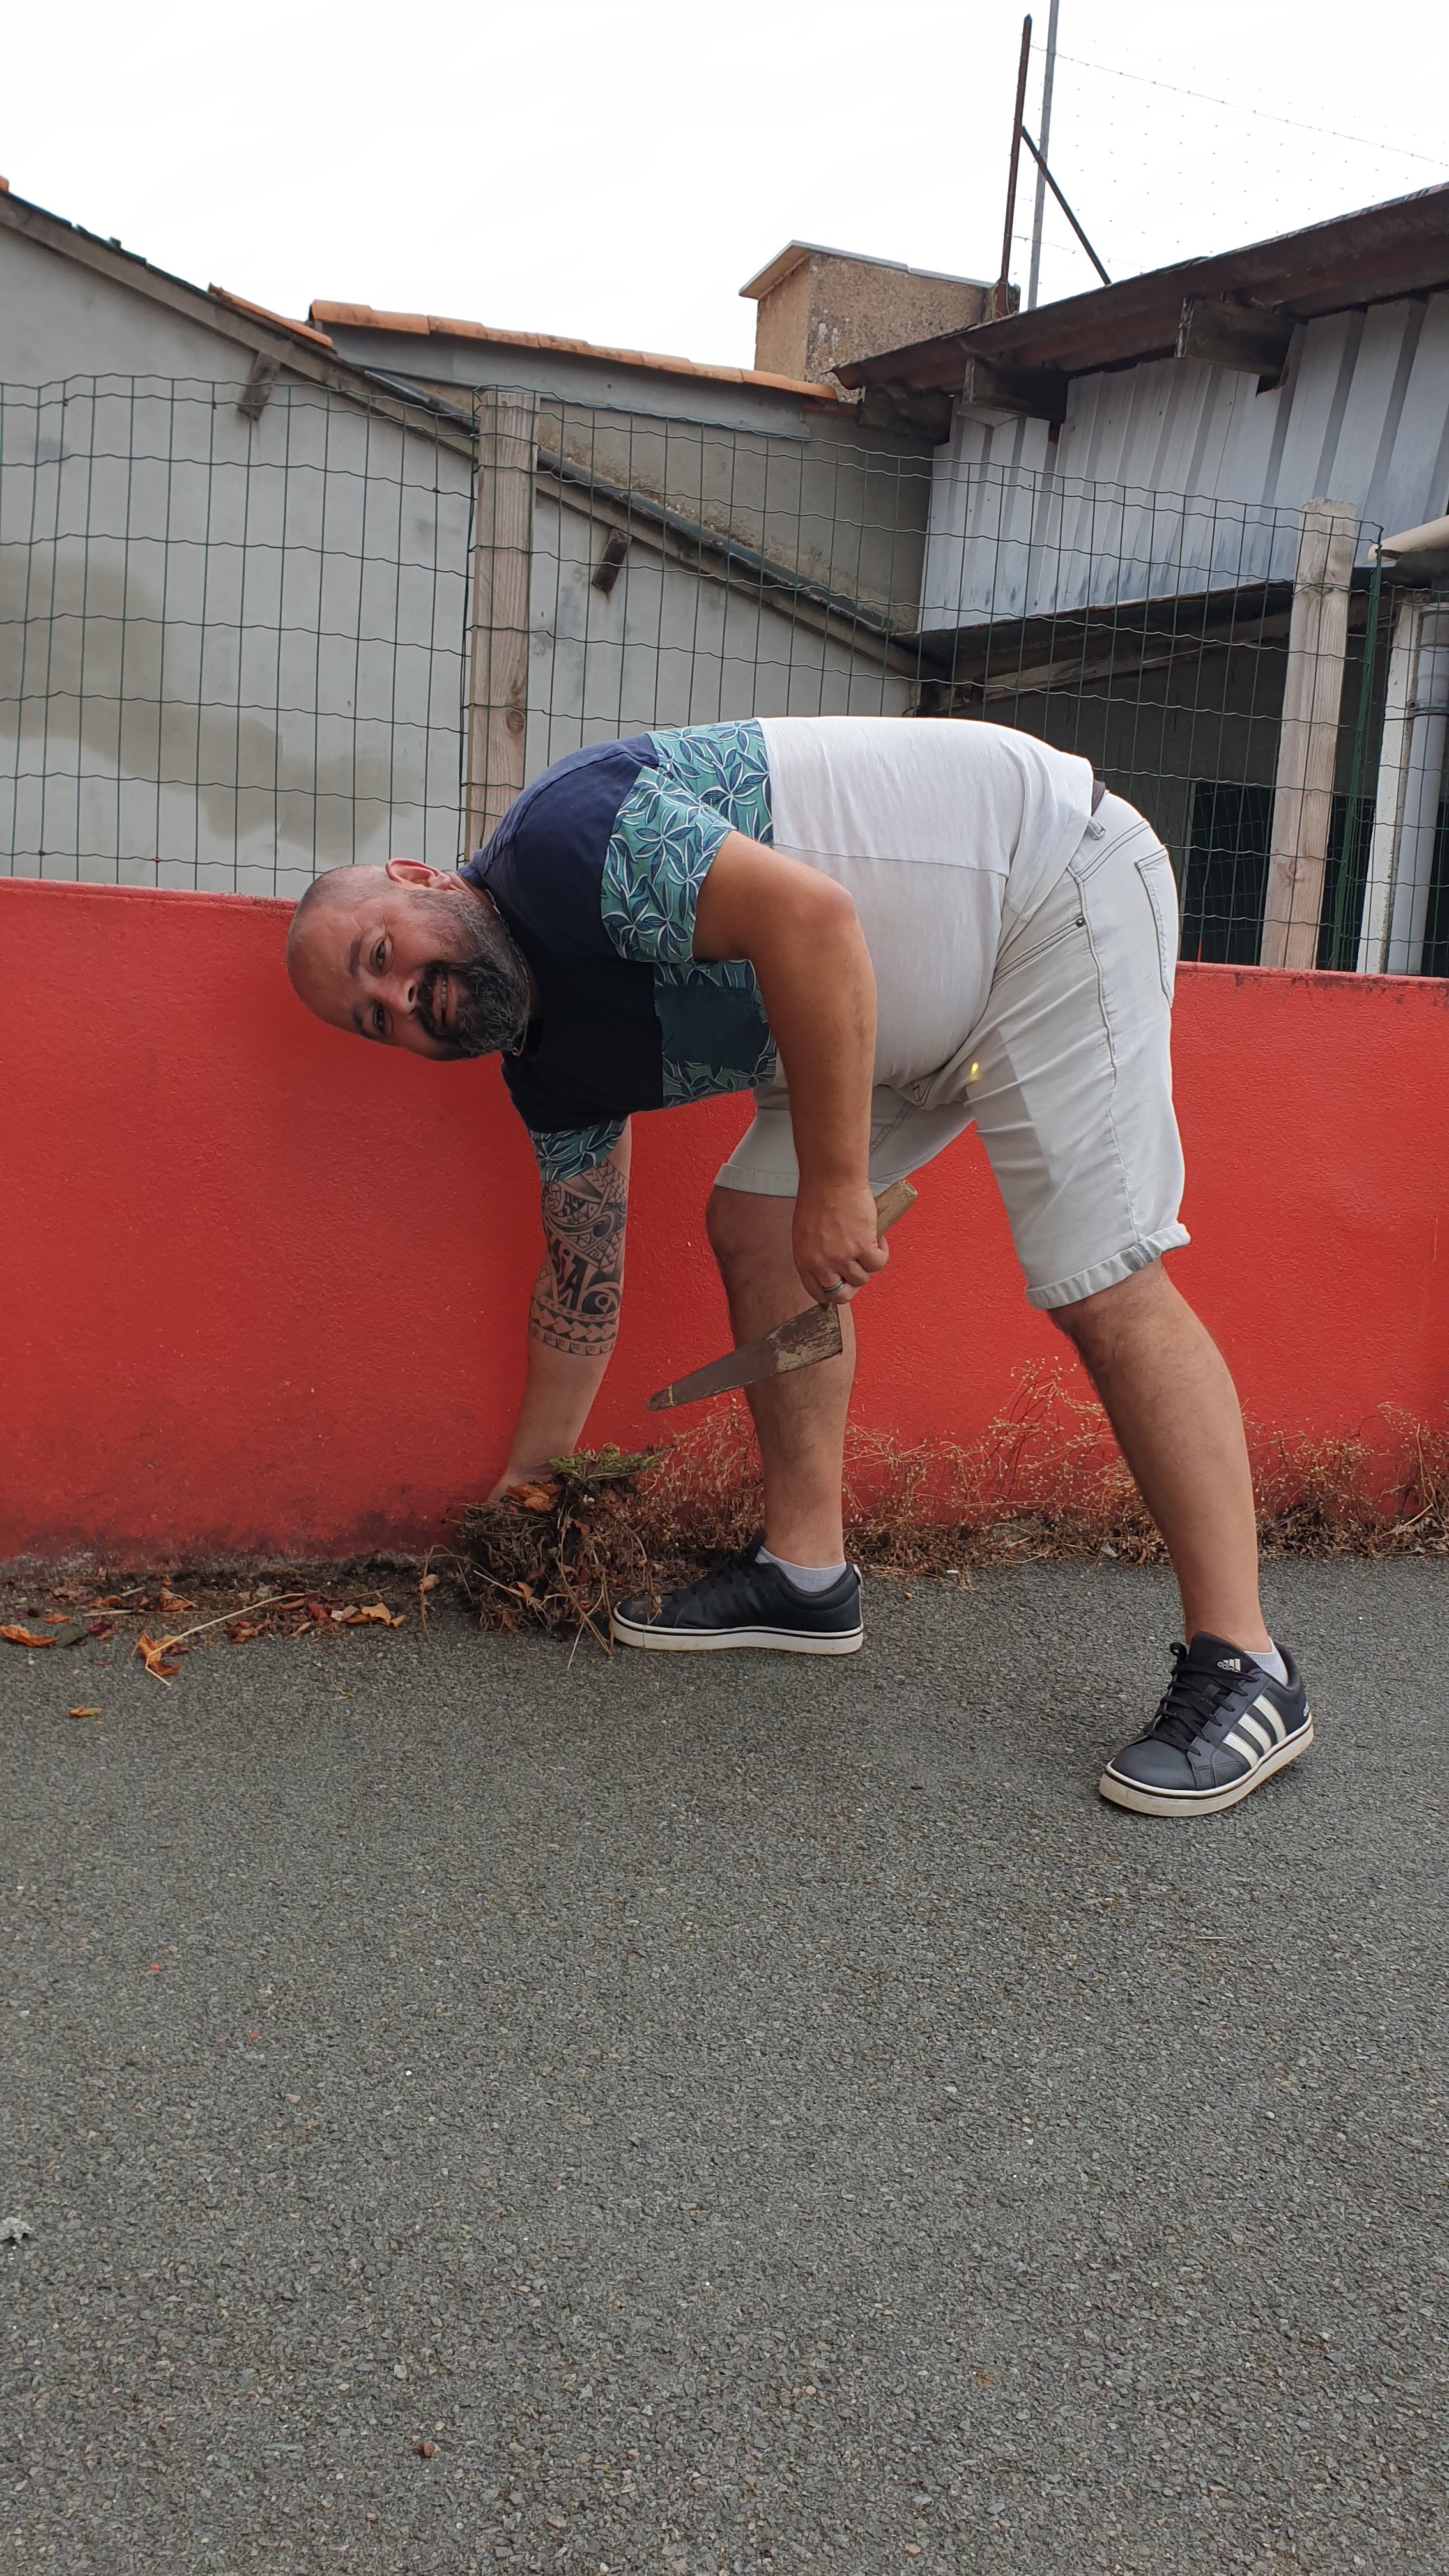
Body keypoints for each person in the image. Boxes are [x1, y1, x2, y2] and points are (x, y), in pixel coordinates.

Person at [285, 716, 1313, 1819]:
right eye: (376, 1022)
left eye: (380, 957)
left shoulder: (563, 846)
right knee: (757, 1229)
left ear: (418, 878)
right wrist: (534, 1483)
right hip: (897, 1012)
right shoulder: (548, 1066)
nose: (404, 1001)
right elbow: (581, 1271)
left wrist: (835, 1183)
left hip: (1040, 892)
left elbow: (810, 919)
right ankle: (805, 1573)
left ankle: (1248, 1665)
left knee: (1101, 1276)